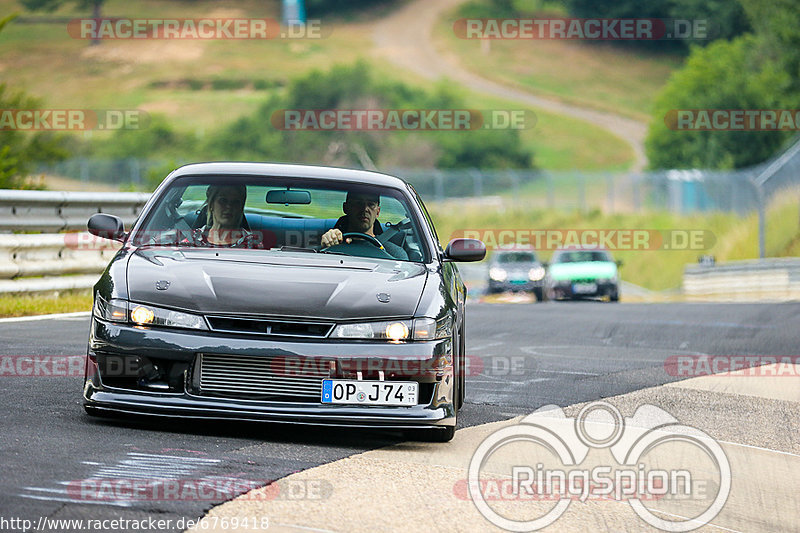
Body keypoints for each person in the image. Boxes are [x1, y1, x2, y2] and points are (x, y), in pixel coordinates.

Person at [320, 191, 408, 259]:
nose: (365, 209)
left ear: (378, 212)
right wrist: (326, 246)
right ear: (346, 208)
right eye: (358, 203)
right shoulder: (331, 244)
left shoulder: (394, 253)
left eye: (371, 204)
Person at [185, 184, 261, 248]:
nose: (229, 206)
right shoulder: (193, 238)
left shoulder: (252, 243)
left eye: (235, 202)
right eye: (223, 200)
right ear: (211, 204)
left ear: (241, 208)